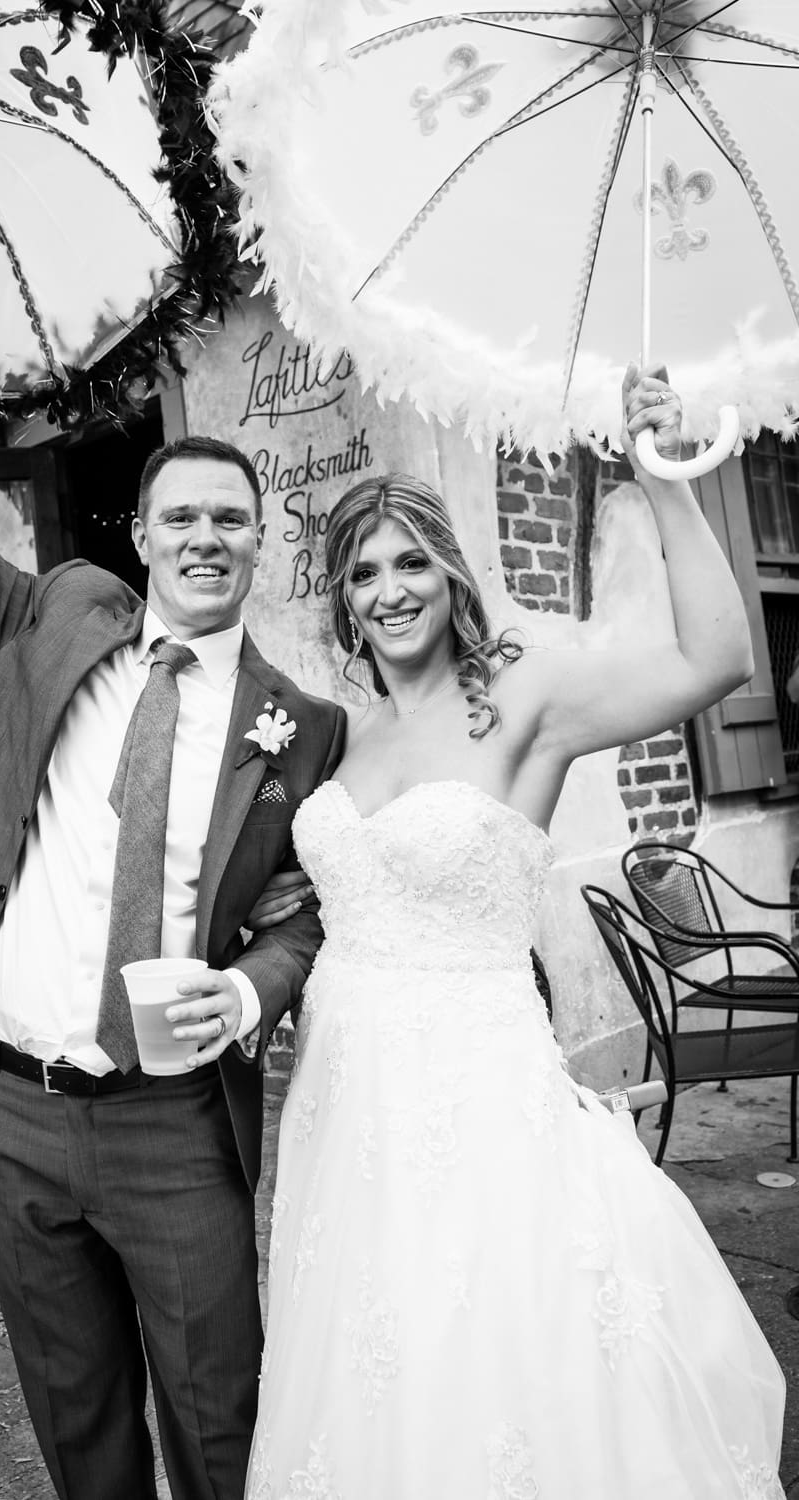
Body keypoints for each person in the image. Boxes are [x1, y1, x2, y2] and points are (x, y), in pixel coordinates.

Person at [0, 261, 345, 1500]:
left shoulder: (297, 725)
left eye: (230, 520)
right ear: (141, 536)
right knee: (75, 1421)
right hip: (16, 1108)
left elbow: (305, 912)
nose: (205, 539)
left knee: (219, 1421)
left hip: (175, 1127)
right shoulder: (54, 616)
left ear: (263, 541)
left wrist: (255, 991)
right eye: (182, 519)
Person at [245, 370, 787, 1497]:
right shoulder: (343, 739)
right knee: (368, 1368)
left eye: (409, 563)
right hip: (345, 1099)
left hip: (474, 1094)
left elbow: (715, 665)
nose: (389, 591)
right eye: (363, 572)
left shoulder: (520, 697)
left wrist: (662, 477)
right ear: (342, 600)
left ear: (450, 573)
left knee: (487, 1356)